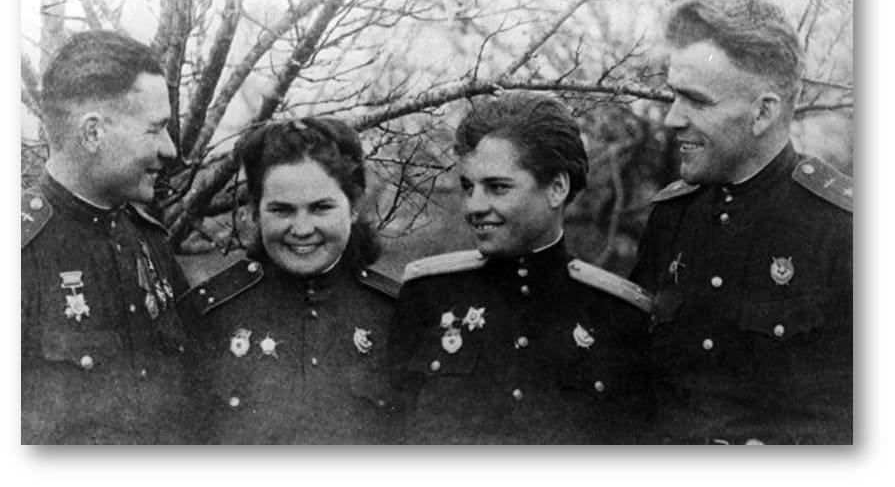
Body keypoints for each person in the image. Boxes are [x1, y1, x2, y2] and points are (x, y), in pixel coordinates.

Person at [630, 0, 853, 444]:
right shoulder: (672, 217)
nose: (672, 119)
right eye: (674, 97)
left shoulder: (844, 230)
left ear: (763, 113)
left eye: (696, 101)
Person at [388, 91, 654, 444]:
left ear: (557, 188)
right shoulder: (427, 297)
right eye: (468, 187)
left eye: (497, 187)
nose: (473, 206)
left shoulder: (617, 316)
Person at [177, 117, 402, 444]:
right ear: (256, 212)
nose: (302, 229)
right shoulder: (209, 314)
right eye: (282, 210)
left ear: (353, 207)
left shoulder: (397, 315)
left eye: (321, 208)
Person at [21, 30, 192, 444]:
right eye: (155, 129)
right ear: (93, 133)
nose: (170, 149)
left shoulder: (149, 240)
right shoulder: (21, 252)